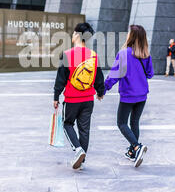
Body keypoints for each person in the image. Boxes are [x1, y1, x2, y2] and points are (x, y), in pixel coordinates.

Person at [53, 22, 105, 170]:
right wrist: (100, 92)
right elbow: (98, 78)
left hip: (71, 100)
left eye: (74, 33)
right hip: (88, 100)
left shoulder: (67, 54)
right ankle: (81, 161)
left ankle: (78, 150)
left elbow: (60, 80)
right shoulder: (94, 56)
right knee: (84, 129)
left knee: (67, 124)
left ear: (77, 35)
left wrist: (56, 97)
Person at [104, 25, 154, 168]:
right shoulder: (146, 55)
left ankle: (137, 148)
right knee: (134, 123)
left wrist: (103, 89)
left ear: (131, 36)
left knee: (121, 123)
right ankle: (132, 153)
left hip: (128, 95)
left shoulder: (124, 54)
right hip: (142, 95)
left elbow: (114, 75)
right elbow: (150, 74)